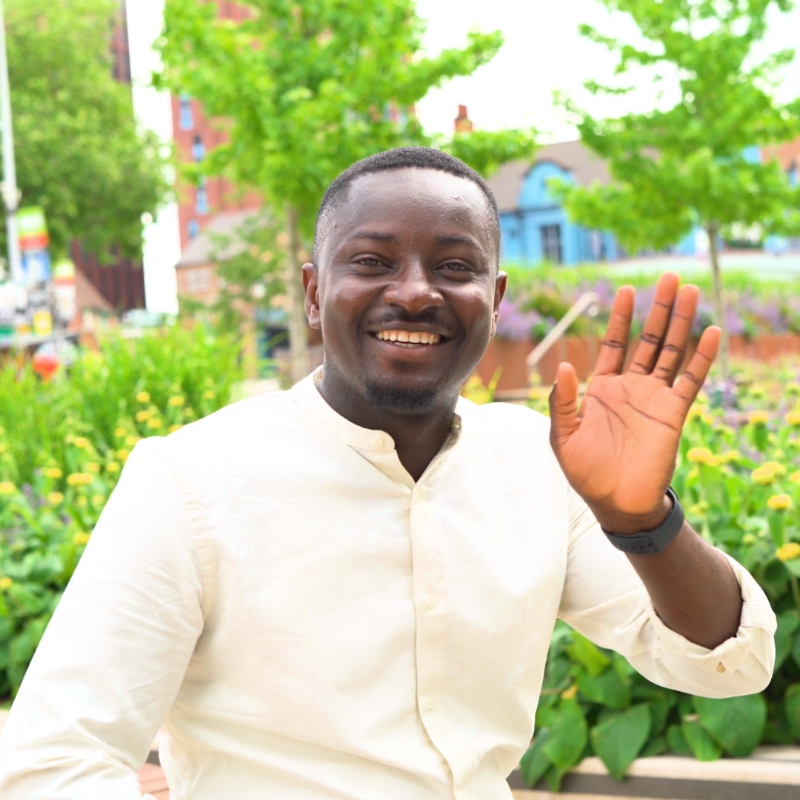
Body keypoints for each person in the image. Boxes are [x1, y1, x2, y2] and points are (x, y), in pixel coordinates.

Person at [0, 148, 775, 799]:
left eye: (455, 266)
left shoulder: (539, 464)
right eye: (372, 262)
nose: (414, 291)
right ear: (314, 294)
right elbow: (57, 762)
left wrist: (645, 522)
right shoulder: (189, 482)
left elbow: (727, 663)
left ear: (494, 298)